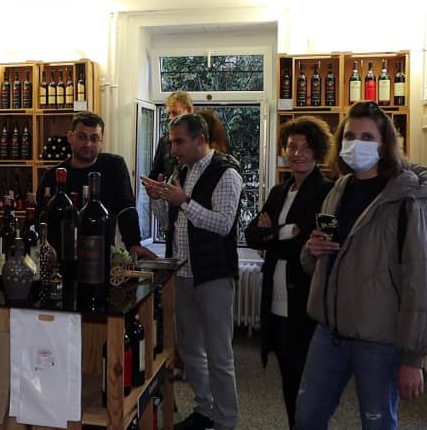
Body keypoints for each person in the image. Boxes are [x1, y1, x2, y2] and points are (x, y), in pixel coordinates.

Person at [295, 102, 427, 430]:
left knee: (377, 424)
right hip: (329, 330)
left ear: (384, 144)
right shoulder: (338, 189)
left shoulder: (407, 199)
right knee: (306, 417)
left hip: (379, 339)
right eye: (350, 136)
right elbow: (325, 259)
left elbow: (423, 279)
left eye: (366, 137)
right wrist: (312, 251)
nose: (356, 144)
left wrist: (413, 358)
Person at [141, 113, 242, 430]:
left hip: (213, 275)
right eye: (172, 142)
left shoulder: (227, 173)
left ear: (201, 140)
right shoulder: (182, 172)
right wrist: (158, 199)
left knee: (219, 354)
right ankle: (204, 410)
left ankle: (226, 421)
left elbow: (223, 224)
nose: (173, 149)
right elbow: (169, 224)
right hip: (181, 273)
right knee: (188, 349)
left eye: (179, 142)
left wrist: (184, 200)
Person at [244, 117, 334, 428]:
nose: (297, 153)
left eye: (305, 147)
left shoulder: (327, 191)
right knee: (288, 379)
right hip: (276, 302)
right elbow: (251, 235)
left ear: (317, 152)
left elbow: (307, 243)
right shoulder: (279, 191)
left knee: (309, 385)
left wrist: (273, 236)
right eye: (292, 146)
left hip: (306, 301)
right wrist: (284, 233)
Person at [35, 111, 156, 259]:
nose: (88, 144)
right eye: (82, 137)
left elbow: (126, 208)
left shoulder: (114, 166)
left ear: (101, 142)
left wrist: (133, 244)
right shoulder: (53, 175)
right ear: (70, 137)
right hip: (60, 258)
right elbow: (40, 218)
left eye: (94, 138)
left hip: (102, 256)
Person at [149, 91, 194, 181]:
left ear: (189, 110)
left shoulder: (201, 140)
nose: (170, 117)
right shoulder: (164, 141)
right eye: (169, 113)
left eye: (175, 113)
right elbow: (154, 174)